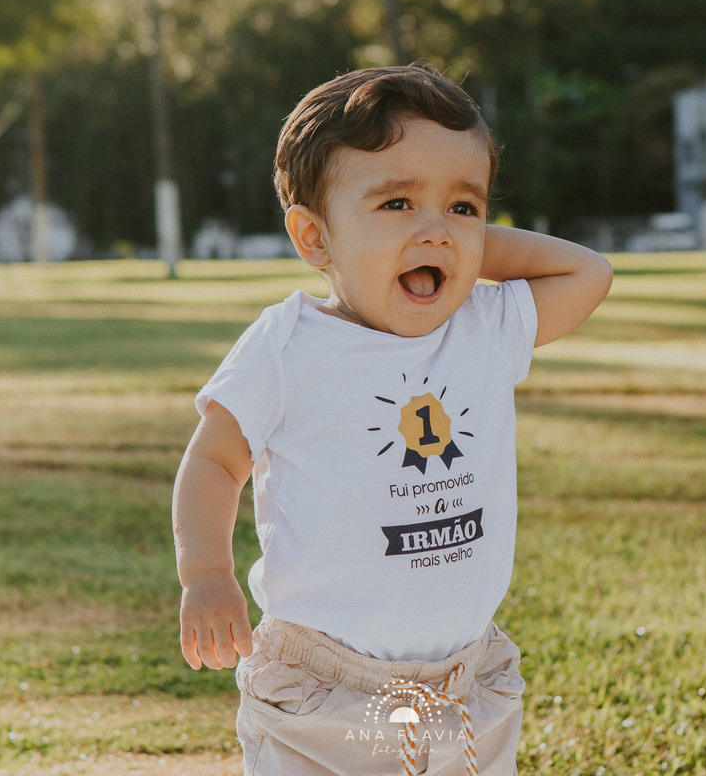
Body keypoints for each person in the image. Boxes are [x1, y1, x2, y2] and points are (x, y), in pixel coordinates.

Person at [172, 63, 613, 775]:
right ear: (314, 239)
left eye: (463, 206)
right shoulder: (288, 345)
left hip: (464, 682)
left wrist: (456, 245)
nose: (435, 230)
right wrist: (206, 573)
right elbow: (215, 460)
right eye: (398, 204)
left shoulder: (484, 325)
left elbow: (589, 274)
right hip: (324, 686)